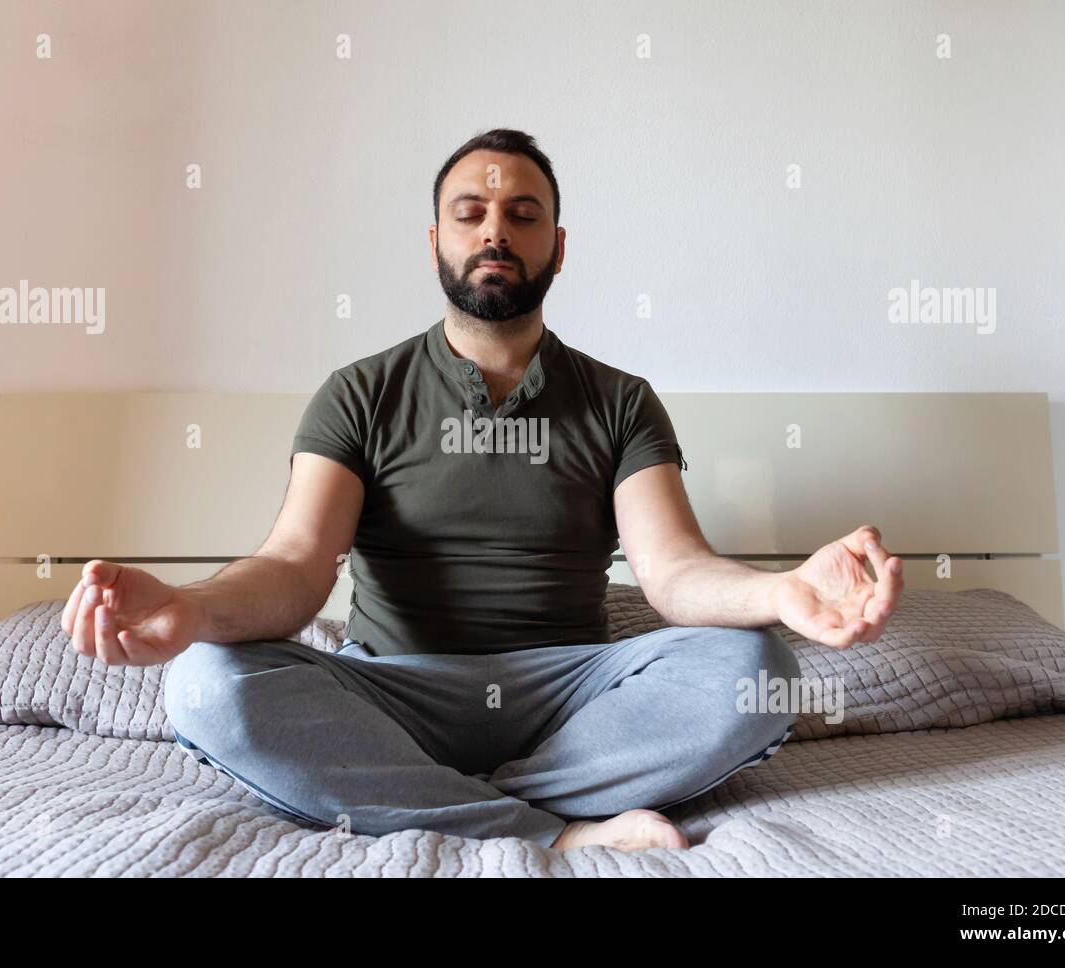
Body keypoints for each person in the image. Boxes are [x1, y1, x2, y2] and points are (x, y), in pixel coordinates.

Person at [60, 129, 903, 852]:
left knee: (758, 664)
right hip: (394, 693)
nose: (495, 230)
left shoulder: (620, 400)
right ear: (435, 243)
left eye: (522, 215)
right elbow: (294, 564)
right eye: (471, 213)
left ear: (558, 247)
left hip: (572, 698)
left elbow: (674, 573)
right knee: (204, 681)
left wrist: (782, 590)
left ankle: (441, 799)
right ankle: (552, 827)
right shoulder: (359, 393)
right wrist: (195, 608)